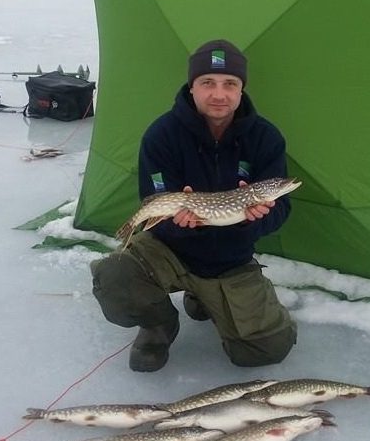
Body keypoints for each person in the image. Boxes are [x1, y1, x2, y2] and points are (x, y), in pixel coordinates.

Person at [90, 39, 298, 372]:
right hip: (169, 249)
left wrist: (253, 219)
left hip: (230, 259)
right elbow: (153, 201)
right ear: (192, 87)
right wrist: (180, 223)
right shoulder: (161, 135)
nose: (219, 94)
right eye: (207, 83)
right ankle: (159, 325)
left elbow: (282, 209)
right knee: (115, 276)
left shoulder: (265, 138)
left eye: (230, 84)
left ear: (241, 89)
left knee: (267, 349)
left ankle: (205, 297)